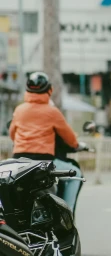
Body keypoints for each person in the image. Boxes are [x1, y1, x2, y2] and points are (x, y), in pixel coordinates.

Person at [9, 72, 82, 210]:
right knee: (75, 174)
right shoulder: (52, 112)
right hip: (43, 163)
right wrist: (77, 145)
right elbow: (70, 139)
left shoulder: (19, 110)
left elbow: (12, 134)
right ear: (50, 90)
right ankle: (67, 213)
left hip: (19, 162)